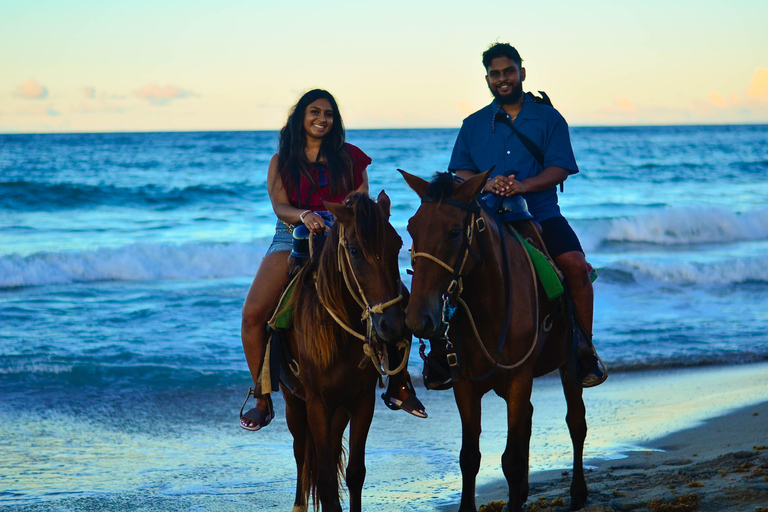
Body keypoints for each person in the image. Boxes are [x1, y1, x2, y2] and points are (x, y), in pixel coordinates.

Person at [240, 89, 426, 431]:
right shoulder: (282, 161)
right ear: (301, 117)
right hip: (292, 236)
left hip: (344, 238)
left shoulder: (351, 157)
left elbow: (362, 200)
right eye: (314, 112)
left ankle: (399, 384)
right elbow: (279, 206)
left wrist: (348, 218)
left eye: (328, 114)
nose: (321, 118)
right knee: (253, 314)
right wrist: (305, 214)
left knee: (398, 299)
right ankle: (262, 396)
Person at [448, 43, 607, 387]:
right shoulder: (472, 124)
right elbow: (459, 169)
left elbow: (561, 167)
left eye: (508, 71)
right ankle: (444, 356)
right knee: (442, 270)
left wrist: (525, 186)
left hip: (541, 213)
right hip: (487, 219)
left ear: (522, 72)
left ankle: (583, 350)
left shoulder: (549, 118)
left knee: (577, 268)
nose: (502, 79)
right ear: (487, 78)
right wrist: (487, 183)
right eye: (495, 74)